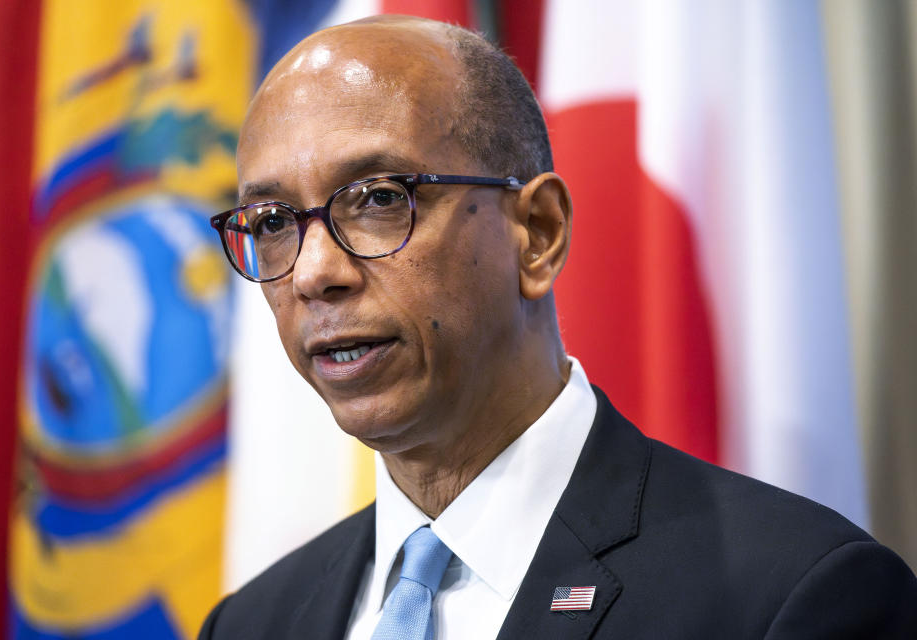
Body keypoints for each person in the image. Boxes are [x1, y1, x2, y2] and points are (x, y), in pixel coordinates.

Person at [199, 15, 916, 640]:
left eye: (380, 198)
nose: (313, 272)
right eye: (271, 223)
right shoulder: (254, 622)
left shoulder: (790, 597)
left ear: (537, 233)